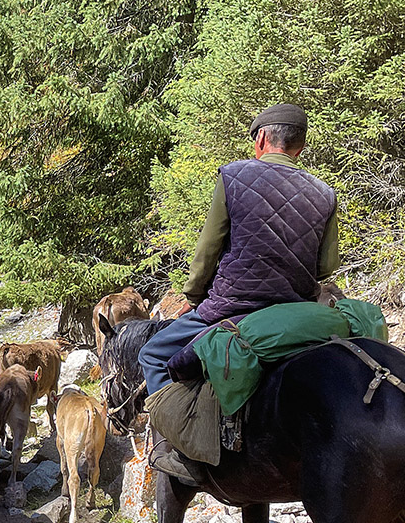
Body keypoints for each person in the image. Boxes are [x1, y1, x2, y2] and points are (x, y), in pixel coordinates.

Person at [139, 103, 339, 478]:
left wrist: (195, 296)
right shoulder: (324, 193)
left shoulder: (234, 176)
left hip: (234, 306)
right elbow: (326, 268)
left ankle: (179, 452)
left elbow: (208, 249)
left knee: (153, 353)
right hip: (294, 311)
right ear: (300, 145)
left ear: (262, 138)